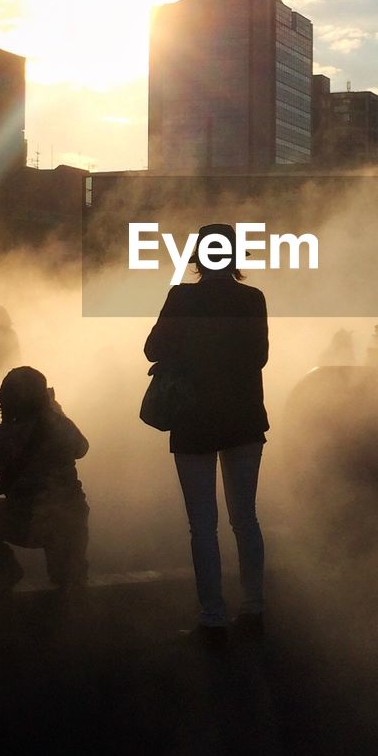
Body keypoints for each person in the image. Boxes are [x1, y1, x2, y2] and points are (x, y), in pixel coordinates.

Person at [145, 223, 269, 645]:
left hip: (193, 419)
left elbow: (152, 349)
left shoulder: (181, 297)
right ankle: (253, 604)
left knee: (203, 525)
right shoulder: (252, 299)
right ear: (234, 257)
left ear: (198, 256)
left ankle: (212, 613)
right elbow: (260, 357)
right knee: (245, 518)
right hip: (244, 418)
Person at [0, 366, 91, 594]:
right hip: (70, 519)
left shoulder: (1, 435)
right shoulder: (60, 425)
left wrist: (8, 419)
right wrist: (56, 413)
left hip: (27, 520)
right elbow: (82, 448)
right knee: (68, 584)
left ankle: (7, 570)